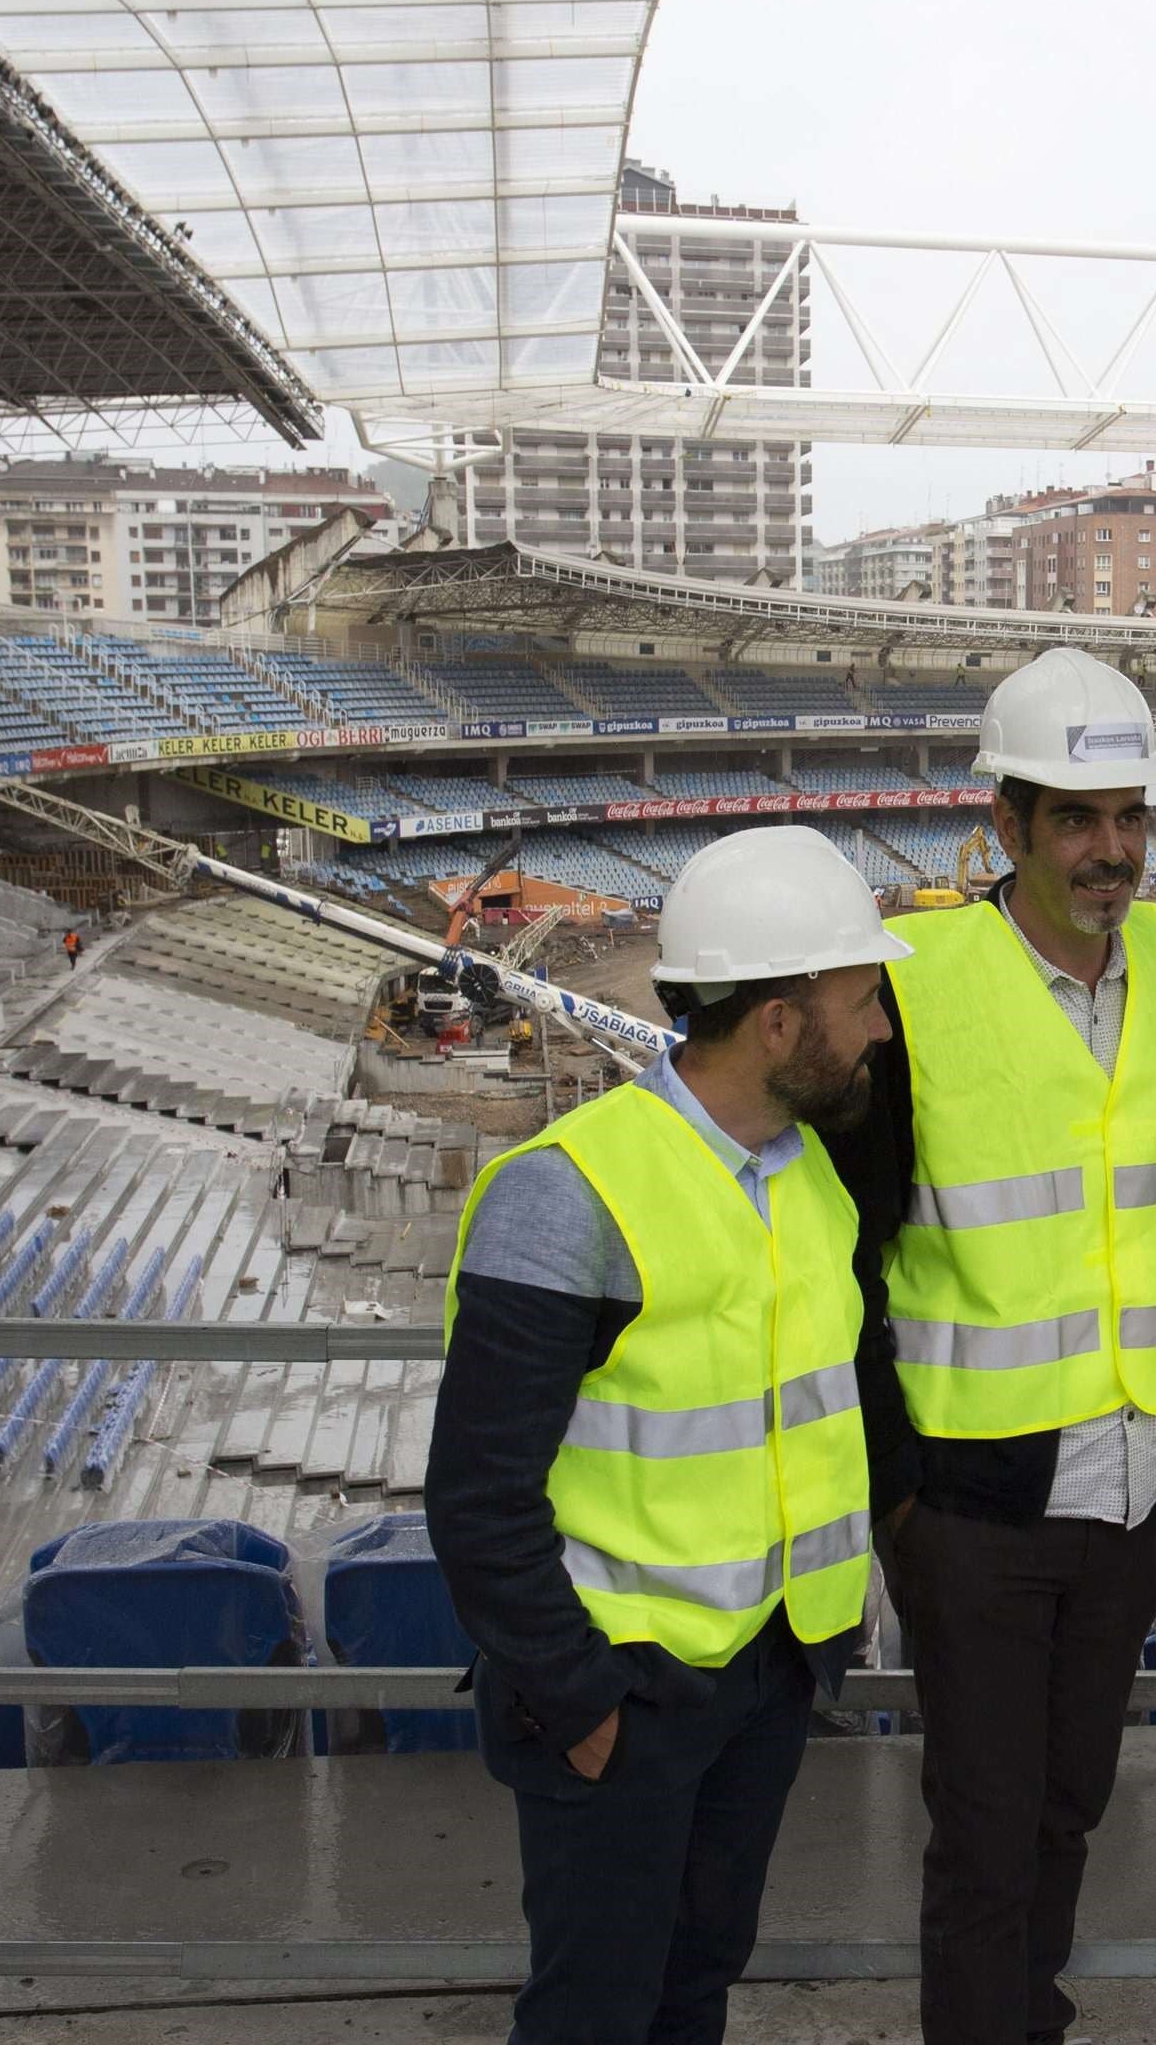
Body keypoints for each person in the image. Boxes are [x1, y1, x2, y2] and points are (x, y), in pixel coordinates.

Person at [425, 824, 904, 2045]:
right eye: (863, 1000)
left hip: (764, 1673)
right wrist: (578, 1697)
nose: (881, 1029)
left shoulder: (807, 1174)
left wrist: (807, 1651)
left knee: (693, 1992)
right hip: (622, 1692)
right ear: (780, 1022)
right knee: (593, 2012)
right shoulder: (568, 1191)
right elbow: (478, 1495)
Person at [826, 648, 1156, 2045]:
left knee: (1068, 1802)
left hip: (1136, 1485)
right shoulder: (915, 987)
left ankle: (1025, 2020)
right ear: (1006, 822)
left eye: (1127, 816)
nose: (1110, 849)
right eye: (1074, 818)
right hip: (974, 1506)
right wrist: (898, 1486)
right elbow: (840, 1254)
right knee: (987, 1829)